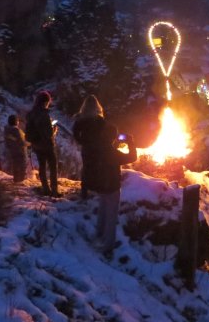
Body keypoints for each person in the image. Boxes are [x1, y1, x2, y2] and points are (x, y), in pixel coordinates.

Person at [72, 95, 137, 256]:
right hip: (111, 183)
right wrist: (130, 142)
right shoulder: (111, 152)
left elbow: (79, 138)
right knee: (111, 213)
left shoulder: (87, 143)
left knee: (102, 206)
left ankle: (98, 234)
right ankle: (108, 244)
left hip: (95, 180)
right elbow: (132, 158)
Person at [26, 91, 59, 197]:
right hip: (47, 145)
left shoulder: (31, 113)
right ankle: (54, 190)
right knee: (53, 166)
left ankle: (45, 188)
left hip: (36, 144)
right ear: (45, 102)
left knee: (42, 166)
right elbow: (48, 133)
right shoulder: (44, 114)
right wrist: (54, 129)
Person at [4, 114, 28, 183]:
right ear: (16, 122)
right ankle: (21, 181)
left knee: (15, 166)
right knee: (22, 167)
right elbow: (22, 142)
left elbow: (8, 141)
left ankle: (16, 180)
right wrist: (29, 143)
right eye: (17, 121)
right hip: (20, 151)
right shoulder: (16, 131)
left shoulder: (7, 130)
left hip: (12, 151)